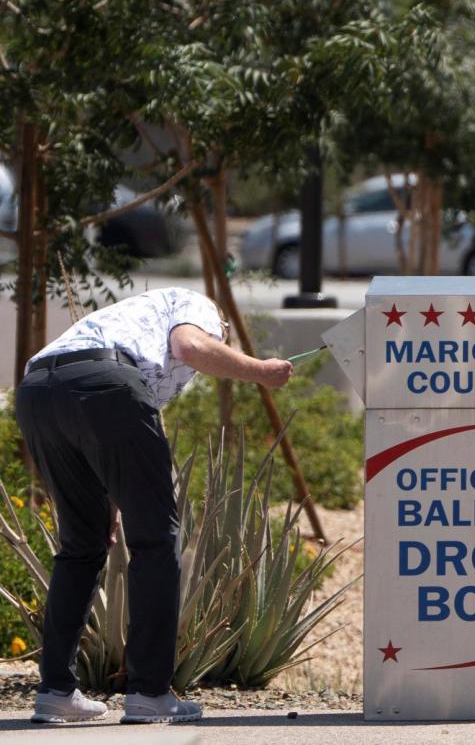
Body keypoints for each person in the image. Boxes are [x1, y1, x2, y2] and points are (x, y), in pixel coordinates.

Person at [14, 287, 293, 724]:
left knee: (83, 545)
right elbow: (190, 346)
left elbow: (107, 416)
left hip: (37, 392)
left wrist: (110, 497)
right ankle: (149, 692)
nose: (216, 336)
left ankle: (55, 691)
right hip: (106, 385)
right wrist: (262, 371)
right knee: (156, 542)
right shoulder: (196, 306)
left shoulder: (129, 320)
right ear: (219, 321)